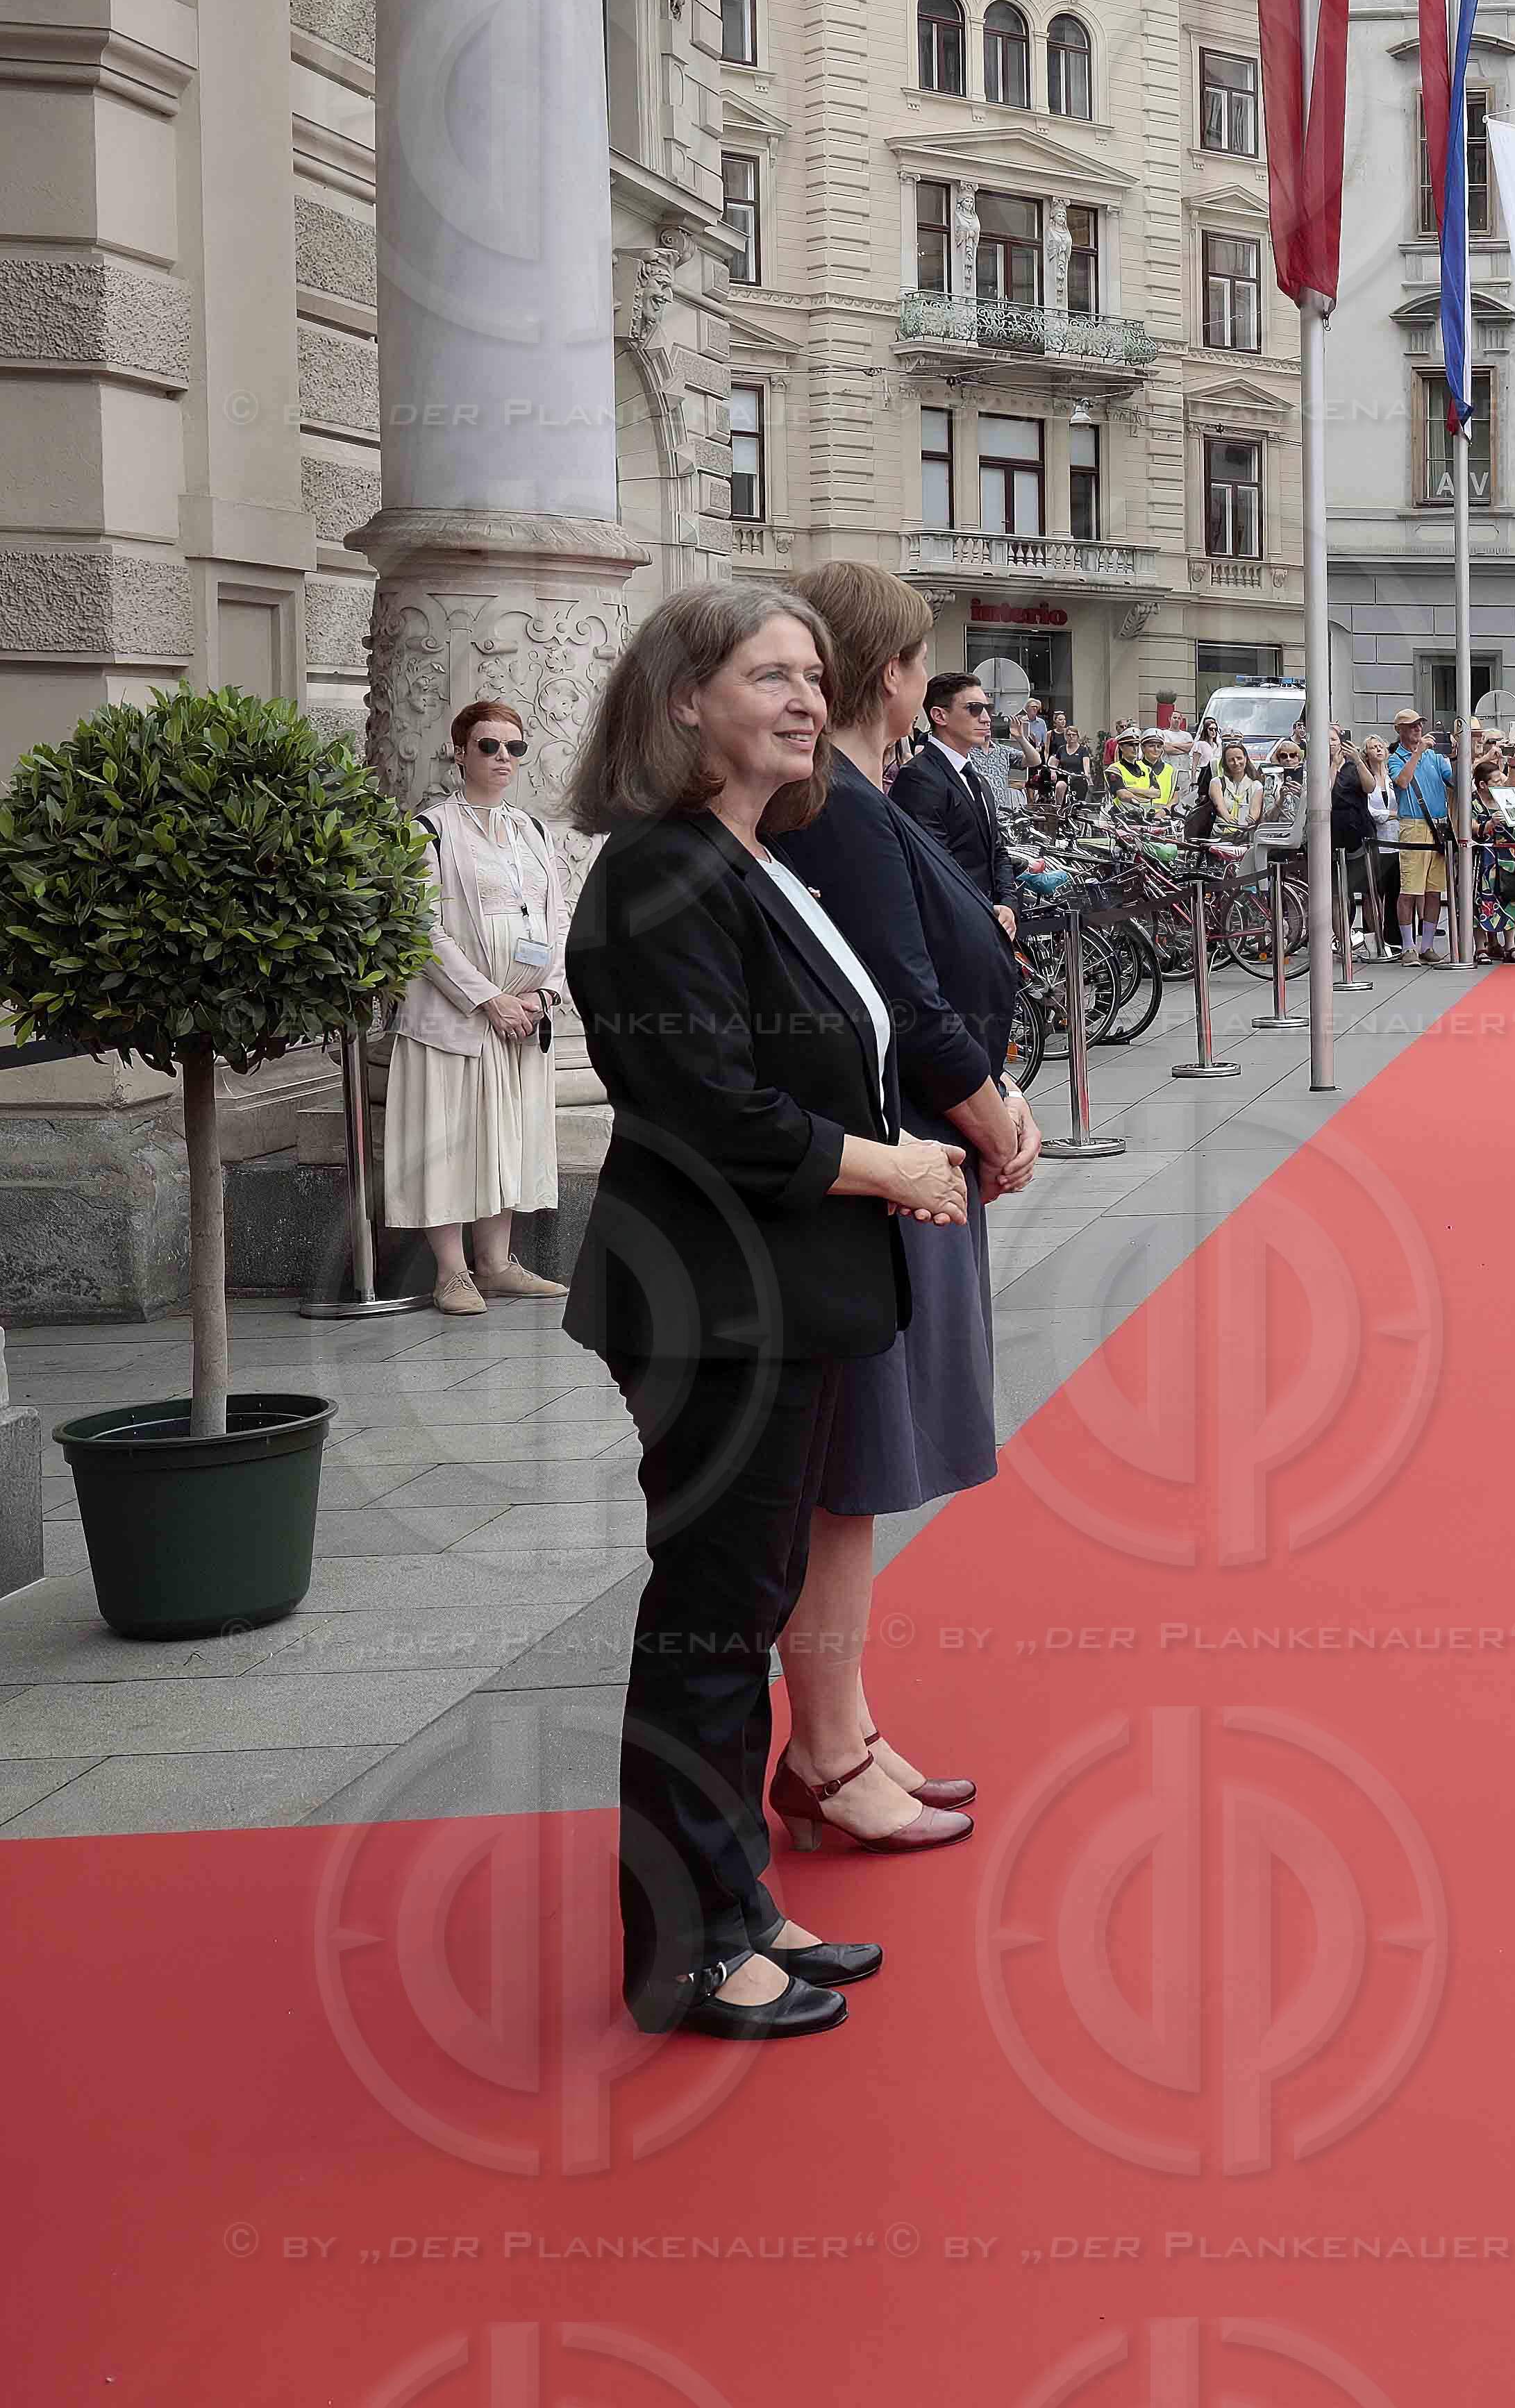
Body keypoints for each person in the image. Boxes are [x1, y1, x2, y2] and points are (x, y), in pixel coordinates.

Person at [563, 581, 966, 2041]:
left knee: (740, 1610)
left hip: (778, 1296)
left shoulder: (751, 858)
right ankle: (681, 1945)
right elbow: (709, 1109)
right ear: (682, 702)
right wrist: (896, 1163)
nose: (804, 698)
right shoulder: (660, 870)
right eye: (766, 676)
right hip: (709, 1301)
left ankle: (736, 1903)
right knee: (709, 1626)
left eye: (811, 675)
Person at [771, 562, 1027, 1860]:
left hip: (910, 1156)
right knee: (851, 1468)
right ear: (894, 671)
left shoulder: (869, 800)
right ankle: (822, 1745)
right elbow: (908, 997)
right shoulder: (848, 812)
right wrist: (987, 1108)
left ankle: (845, 1729)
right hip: (889, 1164)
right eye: (923, 656)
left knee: (860, 1475)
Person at [388, 698, 569, 1315]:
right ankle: (452, 1271)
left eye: (514, 747)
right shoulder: (431, 829)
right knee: (451, 1138)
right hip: (459, 1019)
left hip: (523, 1019)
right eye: (489, 746)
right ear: (460, 752)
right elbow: (421, 930)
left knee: (509, 1138)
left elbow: (559, 923)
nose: (502, 758)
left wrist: (544, 995)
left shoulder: (533, 830)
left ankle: (495, 1264)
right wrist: (488, 998)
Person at [892, 673, 1019, 941]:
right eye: (974, 709)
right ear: (940, 716)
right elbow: (935, 866)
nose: (985, 718)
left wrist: (1008, 903)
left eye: (987, 709)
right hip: (950, 933)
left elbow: (996, 849)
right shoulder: (919, 777)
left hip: (987, 925)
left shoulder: (977, 779)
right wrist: (984, 911)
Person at [1391, 718, 1457, 962]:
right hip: (1413, 825)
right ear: (1399, 730)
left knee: (1433, 891)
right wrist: (1418, 753)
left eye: (1419, 725)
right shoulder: (1395, 758)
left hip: (1439, 825)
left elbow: (1455, 782)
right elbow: (1402, 781)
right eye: (1411, 726)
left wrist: (1461, 755)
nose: (1417, 729)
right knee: (1409, 889)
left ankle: (1427, 945)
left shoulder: (1436, 756)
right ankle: (1408, 946)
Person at [1328, 734, 1381, 952]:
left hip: (1360, 831)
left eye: (1334, 739)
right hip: (1332, 832)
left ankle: (1376, 941)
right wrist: (1332, 763)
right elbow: (1325, 793)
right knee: (1339, 893)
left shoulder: (1353, 764)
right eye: (1327, 739)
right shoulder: (1318, 766)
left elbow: (1370, 787)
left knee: (1370, 890)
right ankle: (1343, 942)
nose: (1332, 743)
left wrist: (1358, 761)